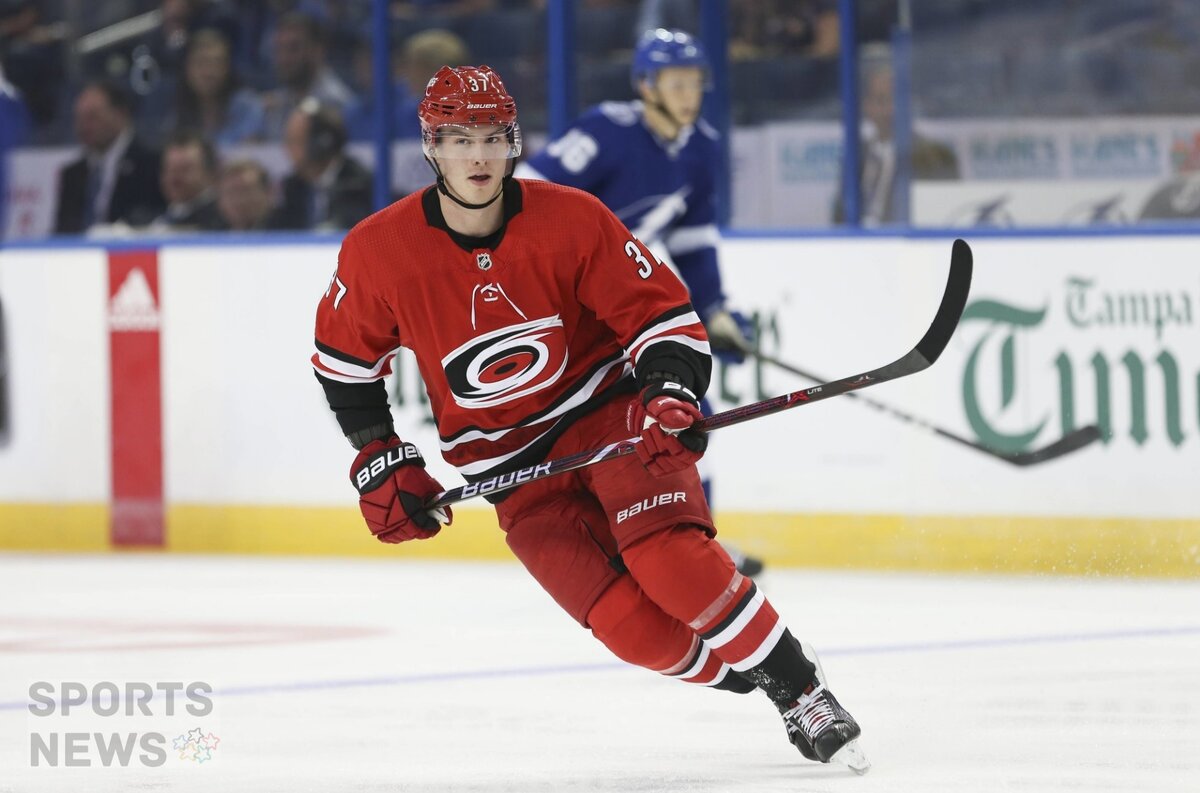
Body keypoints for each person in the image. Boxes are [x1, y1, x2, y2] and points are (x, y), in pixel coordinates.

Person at [311, 64, 869, 773]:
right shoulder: (379, 250)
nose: (478, 156)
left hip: (610, 420)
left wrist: (668, 392)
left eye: (492, 138)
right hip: (510, 471)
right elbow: (345, 365)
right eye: (459, 140)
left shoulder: (571, 218)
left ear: (514, 142)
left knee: (670, 561)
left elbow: (661, 316)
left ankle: (802, 691)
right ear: (432, 147)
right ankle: (761, 673)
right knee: (634, 631)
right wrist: (380, 457)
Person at [515, 28, 764, 577]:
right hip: (560, 305)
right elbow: (525, 192)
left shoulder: (700, 147)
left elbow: (693, 240)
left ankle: (695, 541)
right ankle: (617, 538)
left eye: (694, 83)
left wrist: (714, 309)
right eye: (676, 83)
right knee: (593, 423)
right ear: (647, 86)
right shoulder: (606, 132)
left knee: (685, 412)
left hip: (618, 305)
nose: (688, 95)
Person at [833, 45, 959, 226]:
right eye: (881, 101)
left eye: (897, 100)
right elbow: (839, 217)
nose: (890, 110)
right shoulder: (856, 154)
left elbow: (943, 220)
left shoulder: (935, 157)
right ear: (866, 105)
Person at [53, 80, 165, 234]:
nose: (83, 127)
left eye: (92, 117)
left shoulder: (150, 164)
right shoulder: (73, 174)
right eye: (78, 118)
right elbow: (62, 232)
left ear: (120, 114)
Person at [270, 99, 371, 230]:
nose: (287, 149)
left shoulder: (358, 184)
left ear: (322, 143)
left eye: (295, 141)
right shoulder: (292, 187)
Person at [259, 12, 357, 140]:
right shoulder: (274, 104)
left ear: (318, 50)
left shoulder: (338, 104)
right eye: (279, 49)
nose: (284, 58)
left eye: (293, 48)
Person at [168, 27, 266, 146]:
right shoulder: (178, 113)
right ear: (188, 68)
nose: (208, 72)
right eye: (201, 63)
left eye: (217, 62)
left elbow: (250, 152)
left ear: (227, 68)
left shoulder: (247, 106)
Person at [147, 129, 224, 232]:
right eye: (169, 169)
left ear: (210, 173)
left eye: (185, 169)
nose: (174, 178)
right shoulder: (159, 217)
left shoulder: (221, 220)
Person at [217, 158, 274, 231]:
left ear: (267, 193)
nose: (239, 200)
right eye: (231, 192)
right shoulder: (209, 231)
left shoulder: (285, 228)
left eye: (246, 191)